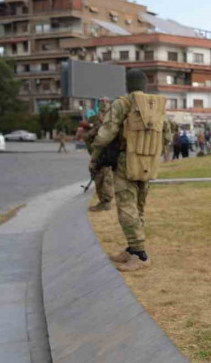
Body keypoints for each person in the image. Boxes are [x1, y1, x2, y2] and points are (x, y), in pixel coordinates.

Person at [90, 69, 171, 272]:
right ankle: (132, 249)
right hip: (149, 161)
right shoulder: (155, 105)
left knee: (126, 208)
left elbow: (105, 134)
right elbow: (168, 136)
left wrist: (95, 157)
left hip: (127, 162)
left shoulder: (123, 103)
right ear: (145, 85)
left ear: (127, 85)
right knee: (138, 207)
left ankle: (141, 255)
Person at [85, 98, 115, 212]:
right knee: (99, 178)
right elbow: (90, 139)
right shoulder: (100, 125)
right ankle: (103, 201)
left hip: (106, 156)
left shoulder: (110, 125)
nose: (101, 116)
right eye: (101, 113)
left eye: (103, 113)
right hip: (99, 155)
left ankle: (105, 203)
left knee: (105, 179)